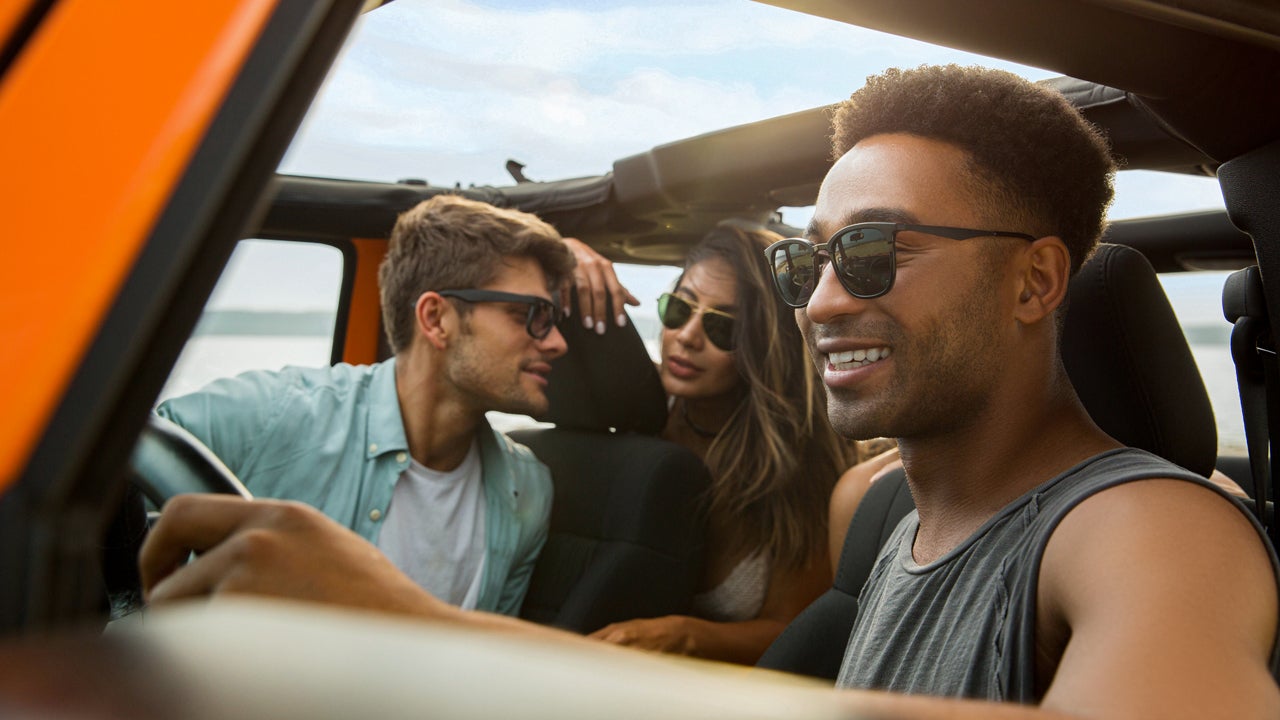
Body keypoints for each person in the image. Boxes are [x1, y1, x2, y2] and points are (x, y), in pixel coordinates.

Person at [139, 65, 1280, 718]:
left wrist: (430, 641)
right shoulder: (874, 510)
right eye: (808, 261)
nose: (821, 303)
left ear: (1035, 279)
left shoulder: (1149, 527)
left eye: (874, 251)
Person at [153, 193, 575, 617]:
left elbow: (487, 664)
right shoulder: (277, 415)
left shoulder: (528, 491)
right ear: (436, 319)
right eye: (531, 314)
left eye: (552, 318)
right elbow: (113, 460)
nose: (557, 343)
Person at [582, 221, 852, 664]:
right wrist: (570, 254)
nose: (686, 336)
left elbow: (791, 633)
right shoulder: (636, 406)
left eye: (722, 328)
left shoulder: (800, 469)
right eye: (677, 310)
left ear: (766, 345)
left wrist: (685, 635)